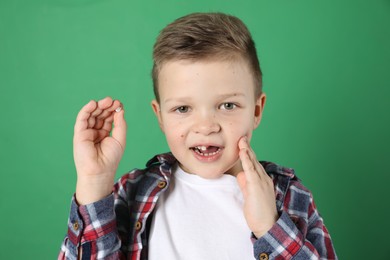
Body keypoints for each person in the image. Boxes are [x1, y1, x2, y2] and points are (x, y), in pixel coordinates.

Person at [58, 12, 337, 260]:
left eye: (227, 105)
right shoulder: (130, 193)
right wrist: (94, 184)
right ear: (160, 117)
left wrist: (270, 226)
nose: (205, 126)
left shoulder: (288, 196)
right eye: (182, 108)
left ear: (256, 110)